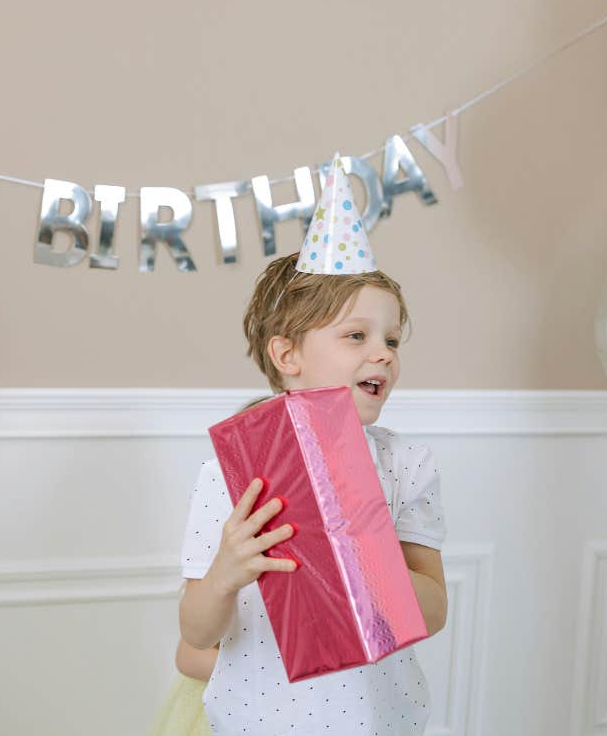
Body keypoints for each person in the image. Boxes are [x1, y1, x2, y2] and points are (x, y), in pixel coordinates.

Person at [177, 158, 448, 735]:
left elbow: (434, 609)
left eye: (391, 338)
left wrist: (361, 542)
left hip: (382, 721)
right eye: (356, 336)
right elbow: (197, 634)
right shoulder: (229, 473)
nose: (383, 353)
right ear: (287, 355)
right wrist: (226, 572)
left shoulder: (405, 464)